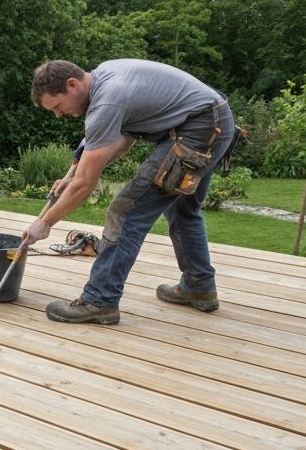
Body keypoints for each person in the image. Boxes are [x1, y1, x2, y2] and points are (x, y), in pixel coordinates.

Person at [24, 58, 237, 325]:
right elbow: (122, 141)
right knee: (182, 208)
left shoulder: (107, 101)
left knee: (126, 211)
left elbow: (85, 185)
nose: (58, 114)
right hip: (211, 120)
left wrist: (44, 223)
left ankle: (99, 300)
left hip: (199, 128)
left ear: (72, 84)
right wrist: (73, 175)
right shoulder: (105, 79)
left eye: (57, 106)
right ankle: (199, 286)